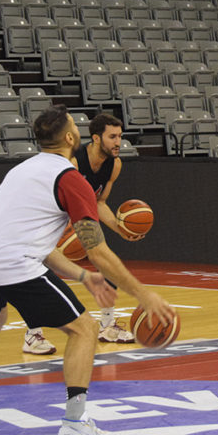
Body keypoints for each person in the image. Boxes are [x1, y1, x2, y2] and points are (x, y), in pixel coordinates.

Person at [0, 105, 175, 435]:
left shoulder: (22, 170)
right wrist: (144, 295)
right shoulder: (70, 179)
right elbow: (98, 251)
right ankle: (75, 425)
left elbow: (35, 243)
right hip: (10, 263)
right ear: (72, 137)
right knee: (85, 328)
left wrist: (81, 276)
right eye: (75, 125)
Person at [23, 113, 143, 353]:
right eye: (112, 137)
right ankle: (32, 334)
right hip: (49, 219)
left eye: (120, 136)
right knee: (37, 275)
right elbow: (57, 199)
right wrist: (70, 229)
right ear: (96, 139)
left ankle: (107, 325)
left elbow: (99, 202)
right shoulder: (73, 161)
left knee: (107, 261)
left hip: (79, 217)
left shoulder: (114, 164)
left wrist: (120, 228)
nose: (118, 142)